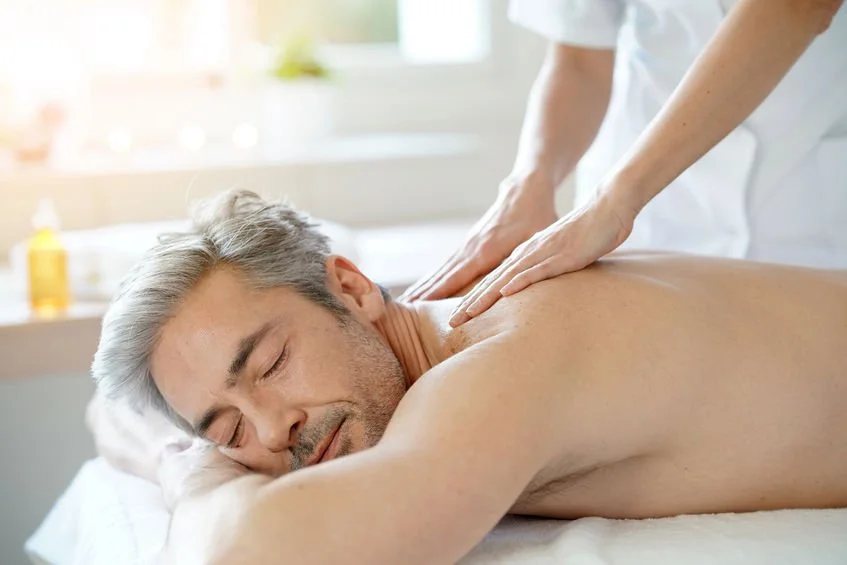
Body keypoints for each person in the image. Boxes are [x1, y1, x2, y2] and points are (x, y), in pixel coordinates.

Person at [86, 190, 847, 564]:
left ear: (351, 288)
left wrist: (184, 467)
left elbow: (250, 553)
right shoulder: (437, 345)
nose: (271, 427)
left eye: (272, 363)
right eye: (225, 431)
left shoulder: (499, 360)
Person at [402, 0, 847, 328]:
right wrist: (529, 185)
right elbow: (580, 57)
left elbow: (796, 6)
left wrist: (614, 204)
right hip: (649, 219)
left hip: (811, 212)